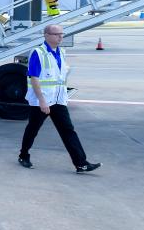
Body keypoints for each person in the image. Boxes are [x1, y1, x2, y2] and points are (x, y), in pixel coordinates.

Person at [18, 24, 101, 174]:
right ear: (47, 35)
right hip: (42, 101)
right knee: (33, 129)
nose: (60, 36)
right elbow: (34, 78)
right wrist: (42, 101)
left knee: (68, 131)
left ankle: (81, 164)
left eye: (62, 34)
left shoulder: (61, 52)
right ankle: (24, 155)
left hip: (58, 100)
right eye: (57, 34)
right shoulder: (38, 53)